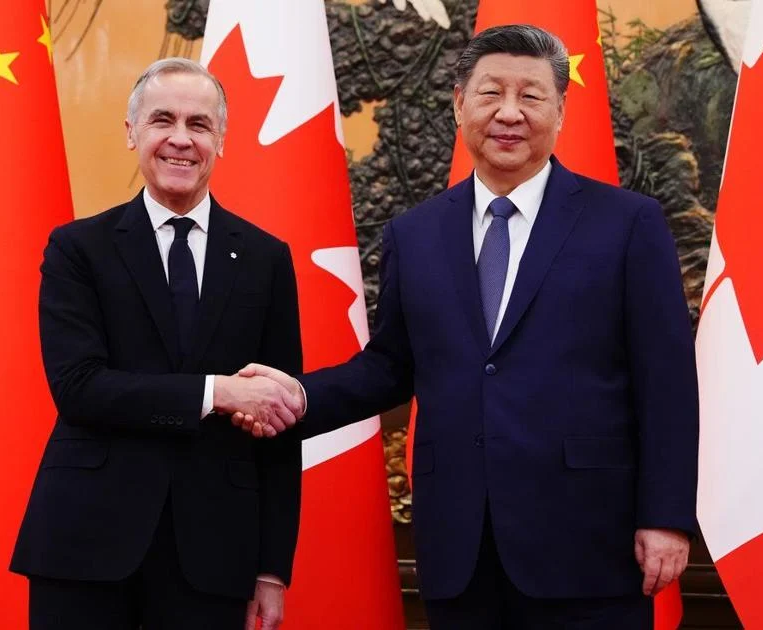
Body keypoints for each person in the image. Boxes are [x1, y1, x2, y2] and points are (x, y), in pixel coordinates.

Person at [236, 25, 699, 629]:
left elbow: (666, 381)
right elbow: (391, 366)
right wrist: (298, 396)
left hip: (589, 541)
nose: (509, 112)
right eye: (490, 93)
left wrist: (665, 516)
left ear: (560, 111)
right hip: (461, 545)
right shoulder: (415, 234)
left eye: (530, 96)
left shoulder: (627, 223)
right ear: (460, 104)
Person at [10, 58, 304, 630]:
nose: (181, 139)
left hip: (214, 551)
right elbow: (79, 388)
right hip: (86, 544)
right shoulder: (78, 249)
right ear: (132, 133)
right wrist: (217, 393)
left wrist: (272, 568)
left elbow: (278, 417)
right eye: (162, 120)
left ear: (221, 140)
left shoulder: (266, 259)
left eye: (199, 124)